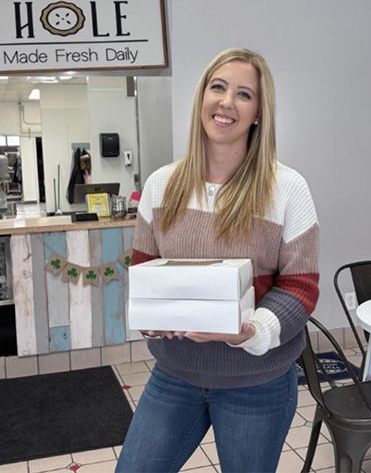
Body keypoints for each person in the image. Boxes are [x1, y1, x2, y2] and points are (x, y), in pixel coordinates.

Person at [116, 48, 319, 473]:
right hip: (175, 376)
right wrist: (148, 313)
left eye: (244, 94)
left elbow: (301, 286)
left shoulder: (287, 188)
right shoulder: (161, 185)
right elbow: (144, 270)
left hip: (256, 382)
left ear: (259, 113)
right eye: (218, 87)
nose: (227, 102)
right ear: (202, 98)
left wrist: (249, 330)